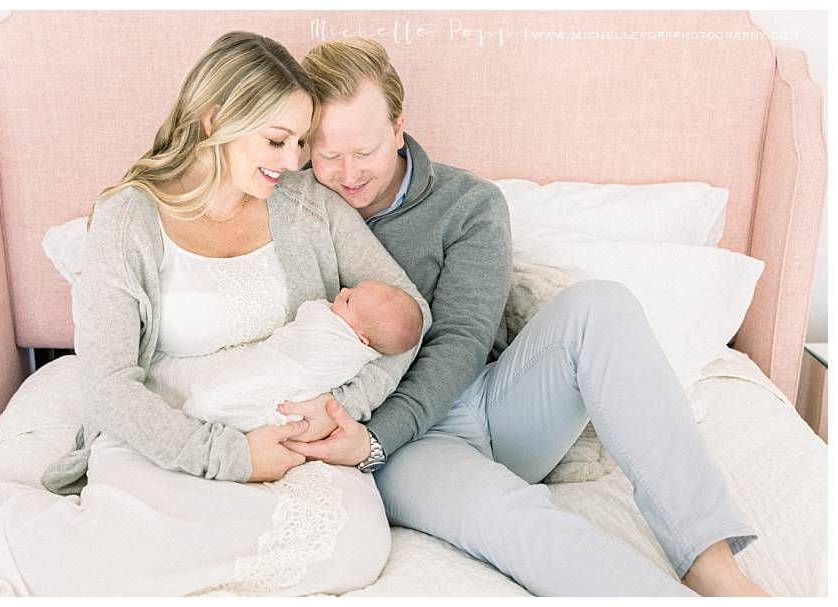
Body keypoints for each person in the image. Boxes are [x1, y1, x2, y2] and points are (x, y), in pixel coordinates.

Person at [276, 37, 770, 597]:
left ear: (398, 128)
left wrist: (375, 437)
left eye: (364, 152)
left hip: (490, 400)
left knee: (600, 305)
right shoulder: (296, 208)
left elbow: (463, 340)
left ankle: (712, 561)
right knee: (508, 515)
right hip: (405, 446)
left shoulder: (469, 204)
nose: (347, 175)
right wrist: (371, 442)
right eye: (327, 155)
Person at [0, 32, 431, 597]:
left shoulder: (308, 205)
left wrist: (335, 410)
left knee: (352, 548)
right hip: (165, 434)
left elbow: (408, 314)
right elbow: (107, 386)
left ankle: (168, 550)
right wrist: (232, 456)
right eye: (277, 141)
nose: (296, 161)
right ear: (215, 121)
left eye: (301, 142)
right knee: (85, 571)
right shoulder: (127, 220)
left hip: (283, 440)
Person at [182, 280, 424, 432]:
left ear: (361, 340)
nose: (342, 291)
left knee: (228, 395)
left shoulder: (338, 340)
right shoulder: (362, 341)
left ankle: (213, 412)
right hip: (270, 370)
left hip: (291, 390)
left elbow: (310, 310)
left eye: (348, 301)